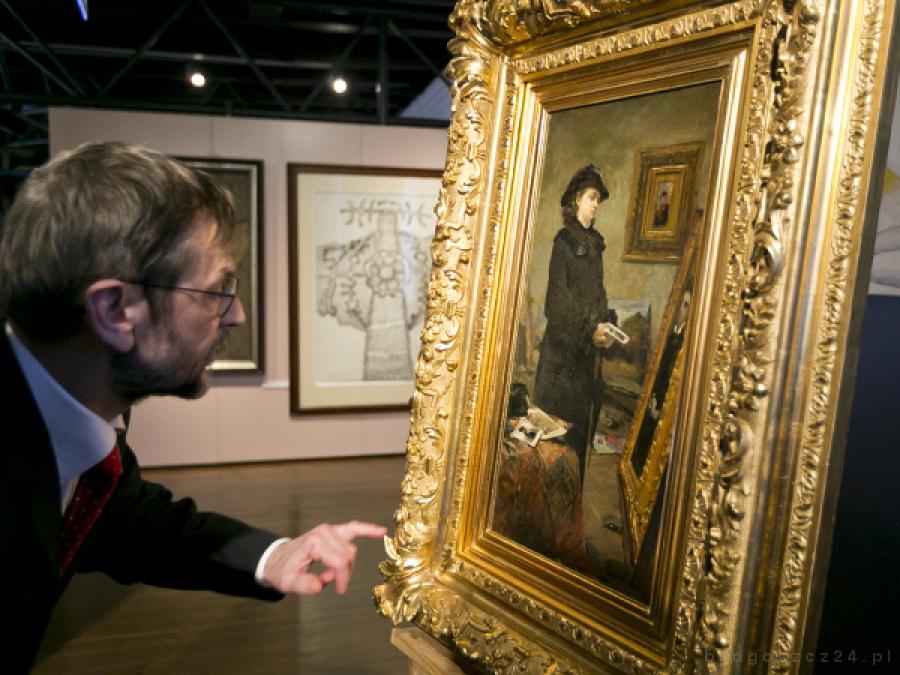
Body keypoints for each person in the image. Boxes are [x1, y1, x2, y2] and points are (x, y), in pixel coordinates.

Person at [0, 141, 387, 673]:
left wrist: (273, 555)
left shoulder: (77, 417)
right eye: (216, 290)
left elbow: (127, 519)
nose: (237, 315)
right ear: (114, 310)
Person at [532, 164, 618, 481]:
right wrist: (589, 329)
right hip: (561, 361)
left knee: (578, 441)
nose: (596, 205)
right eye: (591, 197)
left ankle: (572, 508)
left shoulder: (595, 243)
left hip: (584, 361)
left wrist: (607, 324)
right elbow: (556, 303)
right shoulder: (564, 243)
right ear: (576, 200)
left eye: (598, 199)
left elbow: (597, 293)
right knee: (555, 445)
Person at [630, 282, 692, 474]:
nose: (681, 310)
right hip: (656, 396)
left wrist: (660, 400)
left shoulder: (683, 341)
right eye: (680, 303)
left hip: (666, 400)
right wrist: (654, 396)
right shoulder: (671, 334)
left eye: (686, 306)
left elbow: (671, 376)